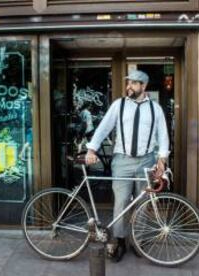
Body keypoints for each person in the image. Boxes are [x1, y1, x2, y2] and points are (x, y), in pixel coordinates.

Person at [85, 70, 169, 262]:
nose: (129, 86)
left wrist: (162, 160)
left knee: (143, 203)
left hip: (146, 160)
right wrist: (92, 149)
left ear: (144, 86)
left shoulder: (155, 109)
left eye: (134, 83)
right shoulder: (119, 105)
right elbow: (104, 127)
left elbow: (163, 135)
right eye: (128, 83)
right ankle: (120, 241)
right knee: (121, 202)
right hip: (122, 161)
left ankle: (138, 241)